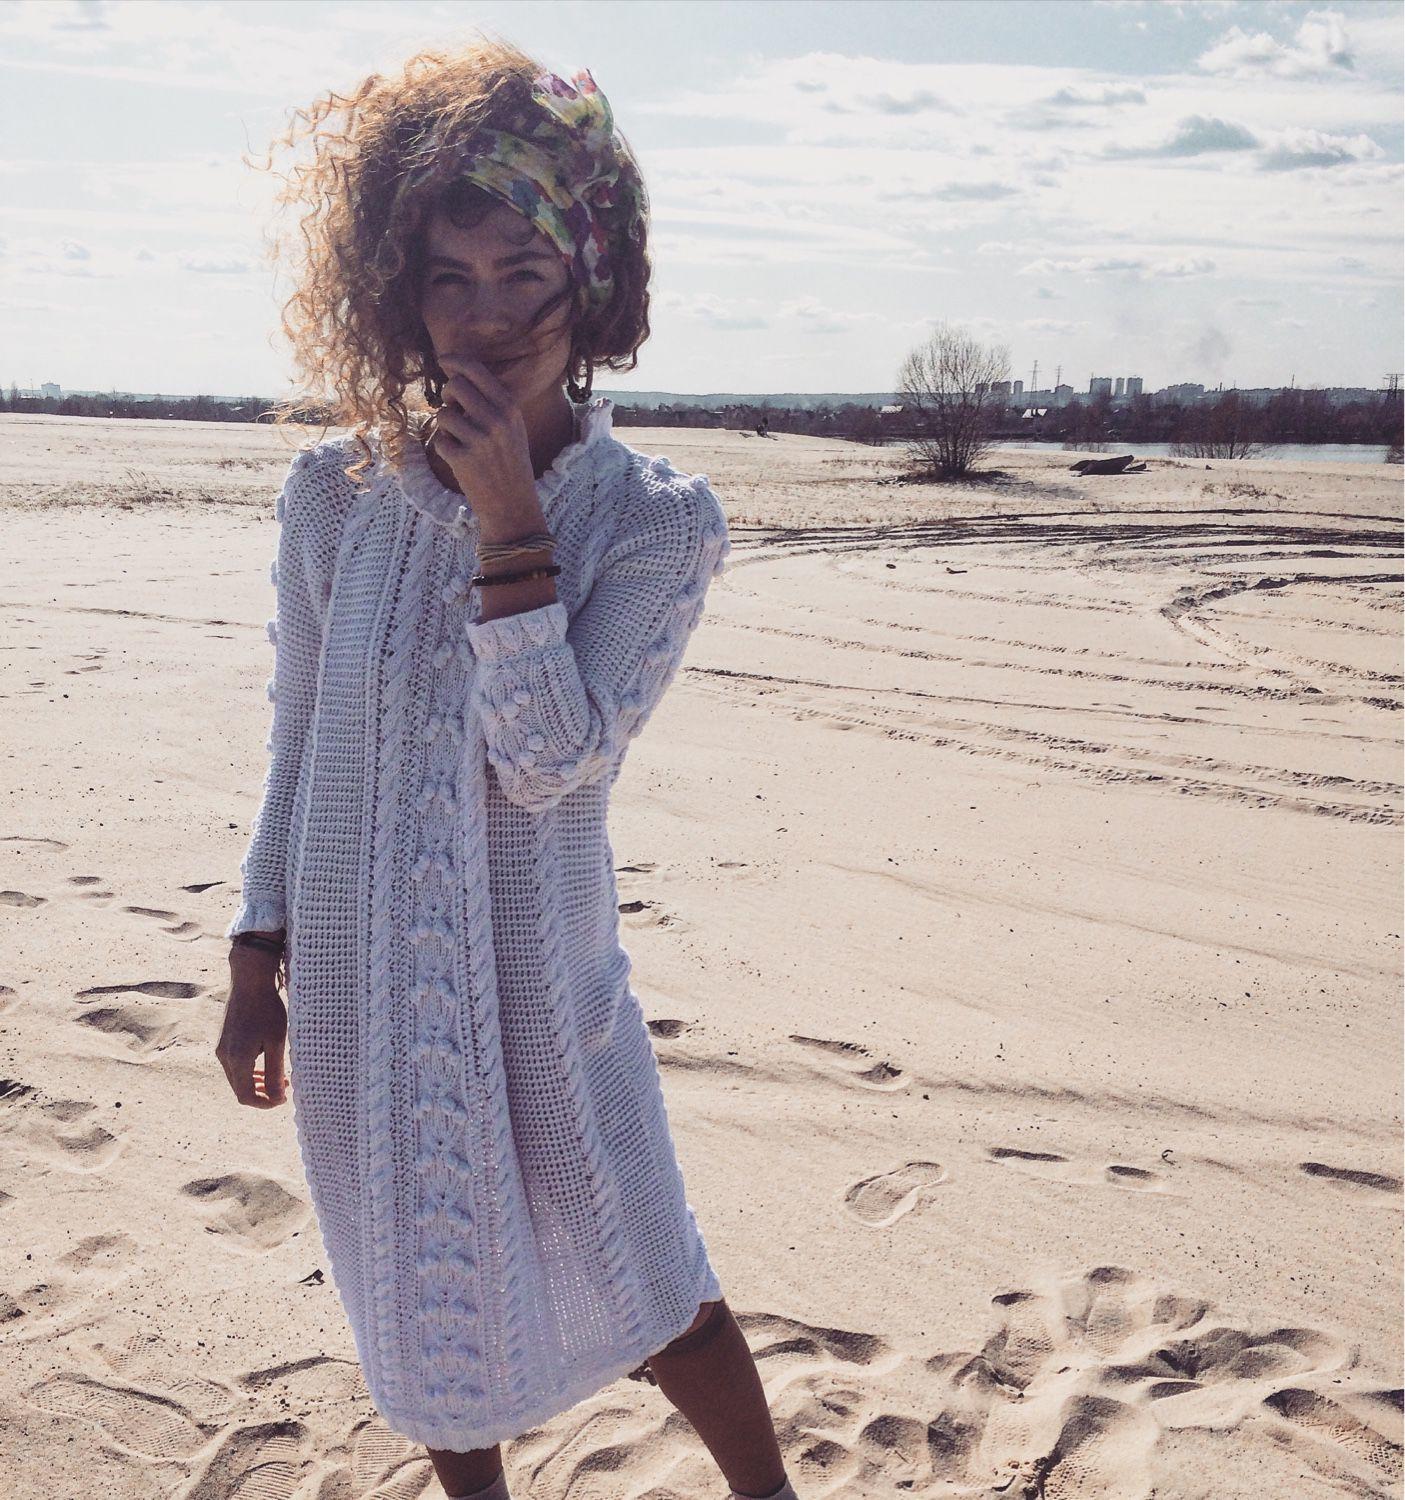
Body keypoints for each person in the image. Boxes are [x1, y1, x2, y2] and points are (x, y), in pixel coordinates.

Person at [215, 35, 800, 1500]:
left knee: (654, 1276)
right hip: (357, 981)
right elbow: (298, 737)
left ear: (590, 284)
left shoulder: (654, 520)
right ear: (397, 291)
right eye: (449, 278)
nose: (485, 318)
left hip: (544, 984)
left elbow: (551, 766)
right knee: (419, 1301)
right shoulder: (330, 496)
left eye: (523, 273)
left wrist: (509, 530)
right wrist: (253, 953)